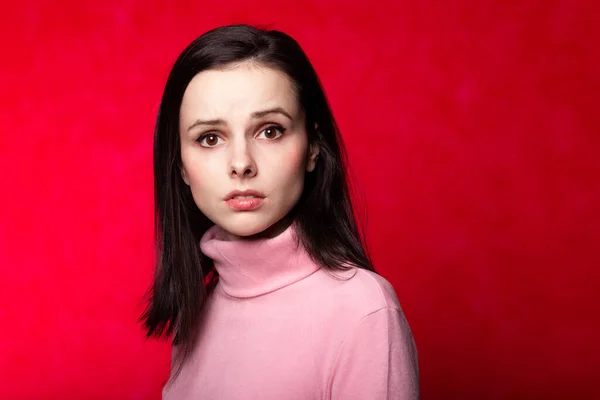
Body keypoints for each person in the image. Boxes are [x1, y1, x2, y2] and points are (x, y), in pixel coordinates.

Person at [140, 24, 420, 399]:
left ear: (313, 148)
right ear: (180, 166)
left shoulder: (364, 313)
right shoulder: (197, 311)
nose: (241, 163)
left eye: (270, 131)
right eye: (210, 138)